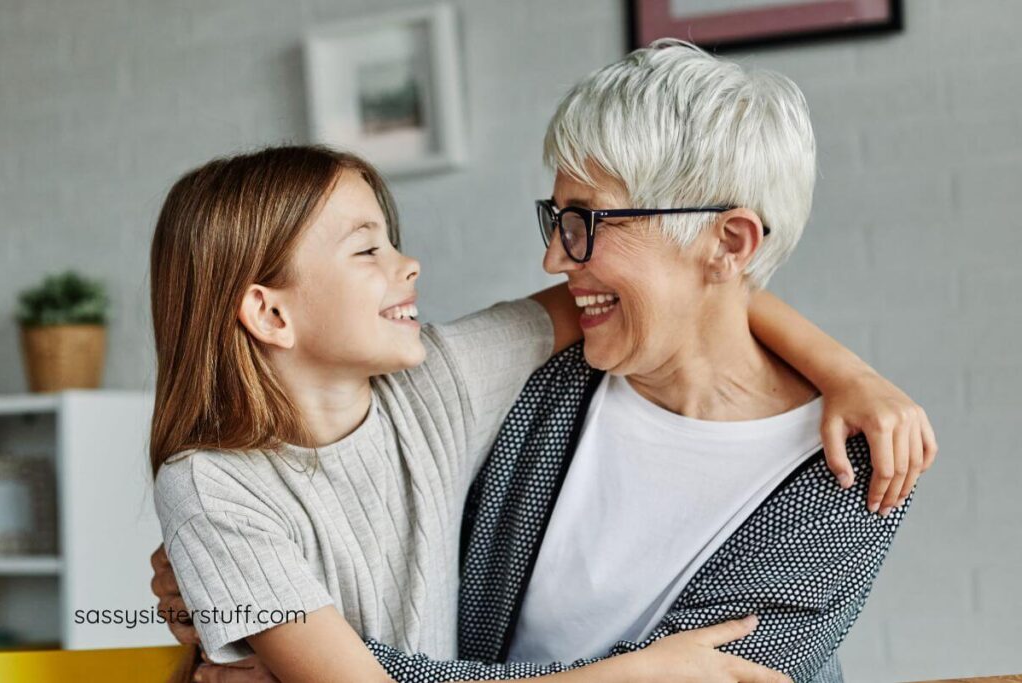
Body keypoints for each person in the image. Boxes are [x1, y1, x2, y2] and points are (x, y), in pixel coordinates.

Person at [149, 42, 935, 683]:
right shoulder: (545, 379)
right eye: (557, 219)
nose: (555, 255)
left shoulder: (853, 473)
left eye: (588, 222)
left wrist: (290, 656)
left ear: (727, 242)